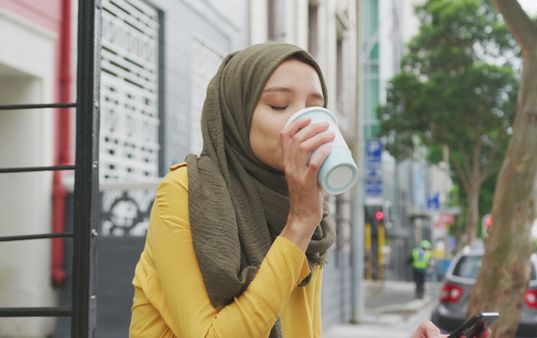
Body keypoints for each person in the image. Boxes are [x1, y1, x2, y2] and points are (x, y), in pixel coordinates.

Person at [128, 42, 476, 338]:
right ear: (235, 114)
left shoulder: (310, 213)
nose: (305, 121)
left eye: (316, 108)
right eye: (279, 105)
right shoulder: (184, 193)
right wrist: (300, 221)